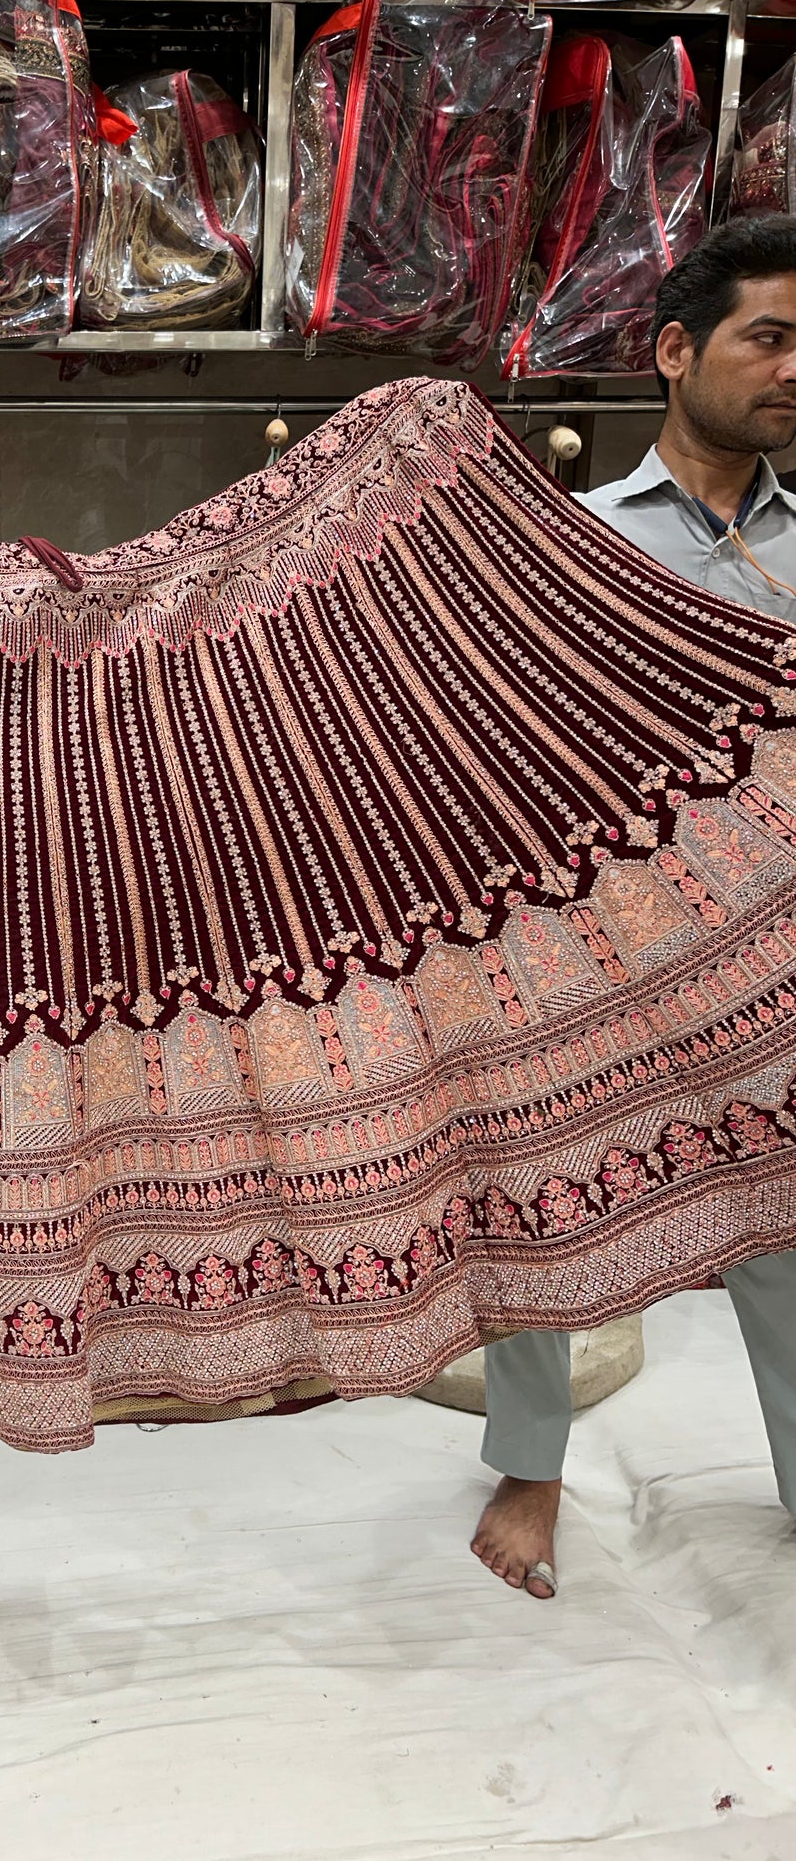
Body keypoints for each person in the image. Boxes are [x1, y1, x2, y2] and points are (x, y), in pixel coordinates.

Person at [471, 215, 796, 1599]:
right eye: (767, 337)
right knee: (547, 1207)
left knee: (787, 1228)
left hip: (776, 960)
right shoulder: (572, 552)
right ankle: (530, 1467)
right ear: (674, 352)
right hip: (597, 954)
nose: (793, 368)